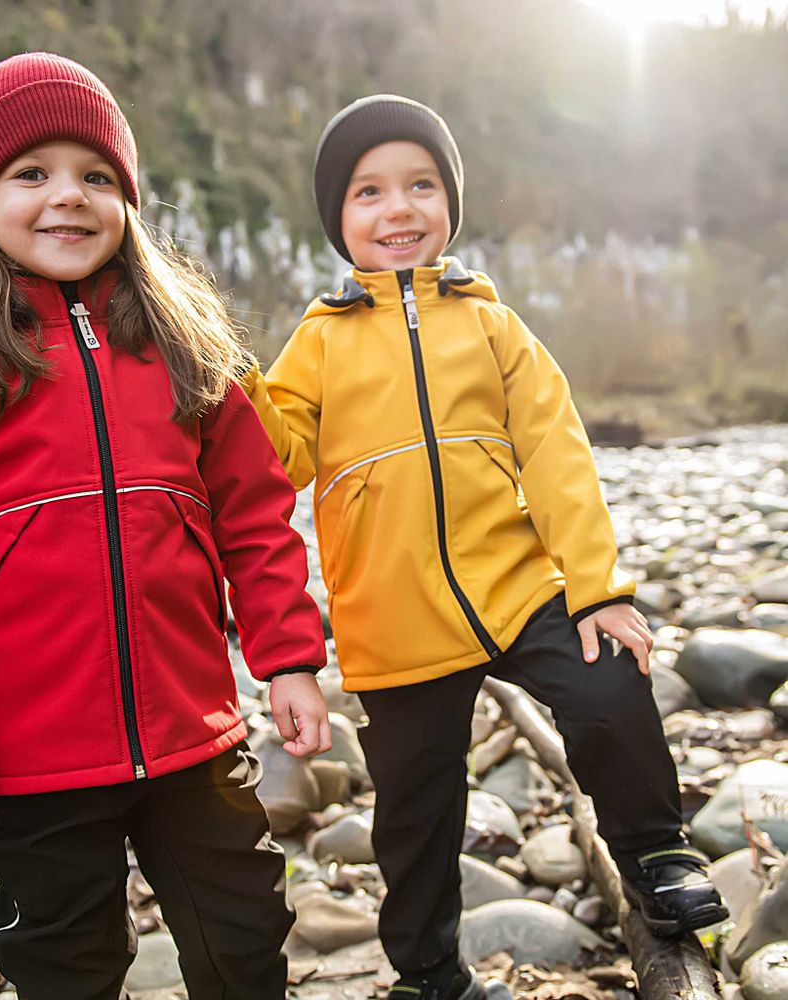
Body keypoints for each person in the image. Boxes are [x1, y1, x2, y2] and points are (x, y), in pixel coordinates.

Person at [0, 52, 331, 1000]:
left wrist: (288, 658)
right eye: (31, 173)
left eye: (97, 176)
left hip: (193, 735)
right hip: (27, 760)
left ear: (128, 201)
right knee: (66, 962)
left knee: (245, 934)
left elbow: (254, 516)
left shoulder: (185, 351)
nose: (68, 196)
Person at [244, 94, 728, 1000]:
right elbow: (280, 457)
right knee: (416, 813)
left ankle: (658, 861)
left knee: (610, 687)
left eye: (421, 186)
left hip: (515, 587)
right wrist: (236, 383)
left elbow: (557, 455)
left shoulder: (492, 323)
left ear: (451, 205)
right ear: (339, 220)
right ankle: (430, 973)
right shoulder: (319, 341)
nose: (399, 209)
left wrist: (597, 589)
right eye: (369, 192)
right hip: (395, 619)